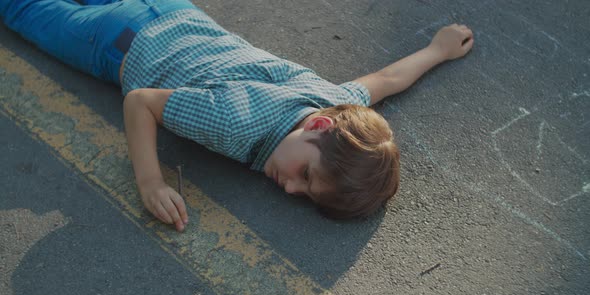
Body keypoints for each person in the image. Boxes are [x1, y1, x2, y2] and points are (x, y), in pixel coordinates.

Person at [1, 0, 474, 232]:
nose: (290, 187)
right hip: (118, 41)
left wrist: (437, 50)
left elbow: (385, 80)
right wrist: (150, 181)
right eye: (305, 175)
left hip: (173, 10)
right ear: (317, 127)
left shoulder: (331, 101)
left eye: (304, 194)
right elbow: (140, 101)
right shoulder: (234, 123)